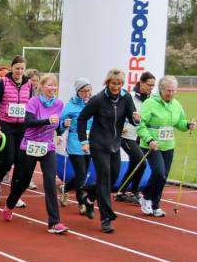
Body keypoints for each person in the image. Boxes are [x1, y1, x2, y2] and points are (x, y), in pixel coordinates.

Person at [3, 74, 69, 234]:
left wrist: (63, 127)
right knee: (24, 181)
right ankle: (10, 204)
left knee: (50, 183)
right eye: (49, 85)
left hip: (48, 146)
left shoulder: (59, 104)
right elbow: (28, 123)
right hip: (30, 145)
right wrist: (47, 121)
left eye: (55, 85)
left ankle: (54, 223)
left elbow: (57, 126)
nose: (53, 88)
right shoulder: (34, 101)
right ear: (42, 86)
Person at [77, 68, 139, 233]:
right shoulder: (98, 99)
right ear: (107, 83)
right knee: (104, 177)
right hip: (98, 144)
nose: (116, 86)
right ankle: (106, 218)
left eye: (119, 83)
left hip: (114, 144)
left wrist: (136, 119)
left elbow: (132, 118)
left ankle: (89, 196)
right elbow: (82, 119)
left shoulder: (126, 98)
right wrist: (83, 140)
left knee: (112, 179)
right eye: (113, 83)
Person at [137, 75, 195, 217]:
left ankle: (155, 204)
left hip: (168, 145)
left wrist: (187, 124)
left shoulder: (176, 105)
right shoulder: (150, 103)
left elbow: (179, 122)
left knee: (163, 177)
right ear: (161, 90)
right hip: (152, 145)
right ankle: (146, 197)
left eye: (173, 90)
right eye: (168, 90)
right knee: (158, 172)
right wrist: (149, 140)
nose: (171, 93)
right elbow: (140, 124)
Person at [0, 55, 32, 206]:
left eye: (22, 68)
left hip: (22, 127)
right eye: (17, 68)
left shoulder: (29, 84)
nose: (19, 71)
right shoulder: (3, 82)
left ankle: (14, 195)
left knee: (21, 162)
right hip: (6, 125)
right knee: (8, 159)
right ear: (11, 68)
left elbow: (31, 106)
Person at [118, 71, 155, 205]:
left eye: (153, 85)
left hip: (140, 137)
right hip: (126, 135)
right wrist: (120, 126)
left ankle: (121, 192)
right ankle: (133, 192)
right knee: (141, 163)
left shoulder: (151, 99)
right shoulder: (130, 96)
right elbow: (119, 113)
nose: (151, 88)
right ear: (141, 83)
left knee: (135, 163)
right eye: (149, 85)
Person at [59, 78, 93, 215]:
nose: (86, 93)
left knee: (83, 174)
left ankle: (66, 188)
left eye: (88, 90)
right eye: (83, 91)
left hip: (89, 141)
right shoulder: (71, 106)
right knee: (81, 174)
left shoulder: (93, 103)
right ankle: (81, 203)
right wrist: (63, 125)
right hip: (75, 141)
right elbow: (60, 124)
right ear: (77, 92)